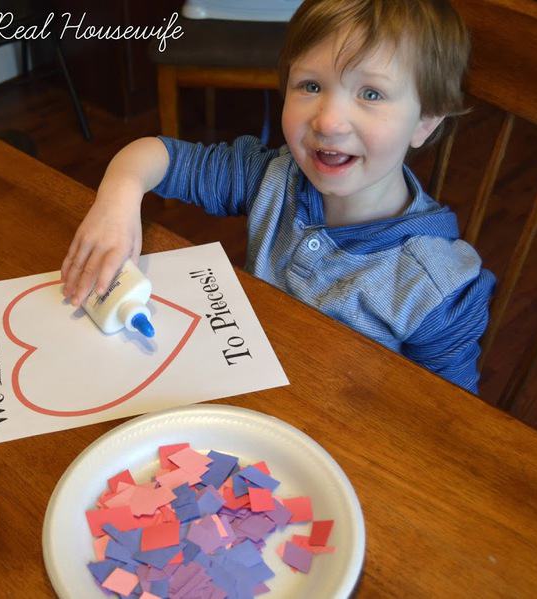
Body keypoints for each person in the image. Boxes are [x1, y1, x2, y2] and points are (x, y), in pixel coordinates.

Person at [60, 0, 495, 393]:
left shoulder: (437, 290)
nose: (328, 121)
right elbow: (158, 156)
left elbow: (450, 422)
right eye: (310, 85)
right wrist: (117, 200)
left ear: (426, 121)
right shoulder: (271, 174)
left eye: (371, 93)